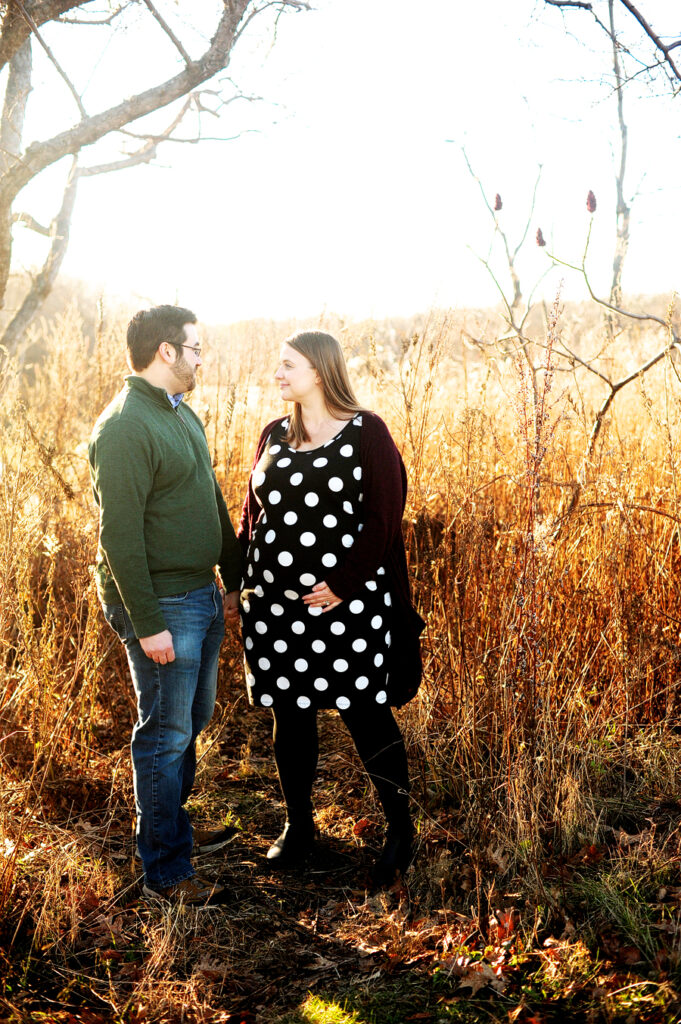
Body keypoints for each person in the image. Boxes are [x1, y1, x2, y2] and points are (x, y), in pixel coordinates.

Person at [237, 331, 423, 886]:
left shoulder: (367, 433)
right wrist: (240, 583)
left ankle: (399, 831)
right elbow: (252, 516)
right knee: (289, 715)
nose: (278, 374)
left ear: (319, 370)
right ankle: (299, 828)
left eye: (287, 365)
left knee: (366, 714)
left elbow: (385, 520)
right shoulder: (275, 434)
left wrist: (341, 583)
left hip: (350, 605)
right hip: (274, 605)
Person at [89, 305, 242, 906]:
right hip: (162, 604)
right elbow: (118, 538)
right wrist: (149, 625)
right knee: (165, 733)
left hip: (200, 593)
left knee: (190, 723)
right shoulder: (125, 427)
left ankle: (172, 829)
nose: (202, 358)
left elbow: (210, 499)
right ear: (165, 352)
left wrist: (233, 578)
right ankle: (165, 870)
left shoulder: (181, 414)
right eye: (195, 348)